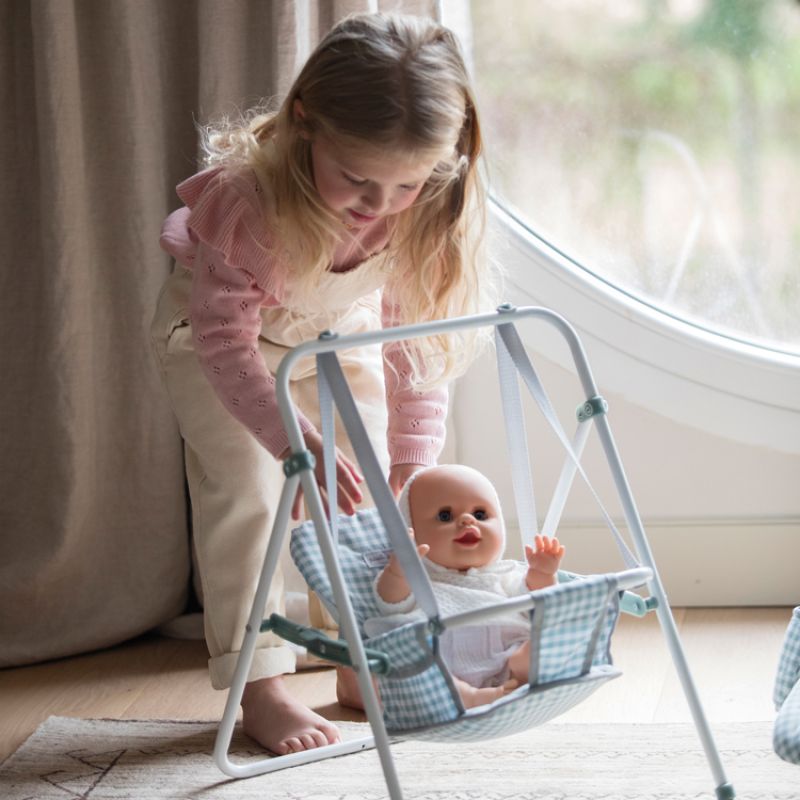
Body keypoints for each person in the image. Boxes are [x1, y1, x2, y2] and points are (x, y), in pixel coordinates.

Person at [150, 12, 497, 756]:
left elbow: (414, 340)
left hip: (337, 341)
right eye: (357, 179)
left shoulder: (424, 203)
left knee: (361, 498)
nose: (378, 205)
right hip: (224, 349)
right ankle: (260, 686)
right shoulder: (251, 203)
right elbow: (222, 339)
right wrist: (288, 441)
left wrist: (411, 459)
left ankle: (357, 658)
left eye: (405, 183)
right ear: (304, 122)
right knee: (248, 497)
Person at [369, 464, 565, 709]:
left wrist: (543, 573)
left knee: (539, 648)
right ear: (411, 531)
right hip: (443, 662)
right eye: (445, 516)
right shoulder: (419, 578)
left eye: (480, 514)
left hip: (508, 659)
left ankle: (523, 681)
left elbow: (541, 603)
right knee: (407, 672)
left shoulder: (506, 575)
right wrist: (399, 570)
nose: (467, 520)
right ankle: (470, 697)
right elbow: (391, 603)